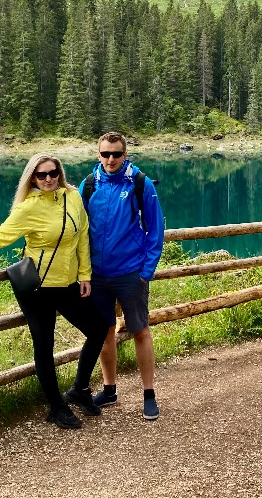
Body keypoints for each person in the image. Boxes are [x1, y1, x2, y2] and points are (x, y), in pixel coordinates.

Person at [0, 153, 109, 430]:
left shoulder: (73, 196)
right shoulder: (28, 207)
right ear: (32, 177)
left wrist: (84, 275)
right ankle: (57, 407)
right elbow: (1, 235)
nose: (48, 179)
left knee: (99, 327)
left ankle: (79, 390)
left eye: (53, 173)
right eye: (41, 175)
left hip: (67, 283)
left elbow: (82, 236)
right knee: (44, 345)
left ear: (60, 173)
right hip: (38, 287)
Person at [81, 132, 164, 419]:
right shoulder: (89, 186)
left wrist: (146, 271)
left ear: (125, 154)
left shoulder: (140, 183)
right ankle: (109, 388)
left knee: (140, 330)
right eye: (105, 154)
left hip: (131, 272)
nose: (111, 159)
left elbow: (155, 228)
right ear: (98, 155)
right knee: (105, 332)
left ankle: (149, 394)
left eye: (116, 154)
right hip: (98, 275)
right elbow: (79, 230)